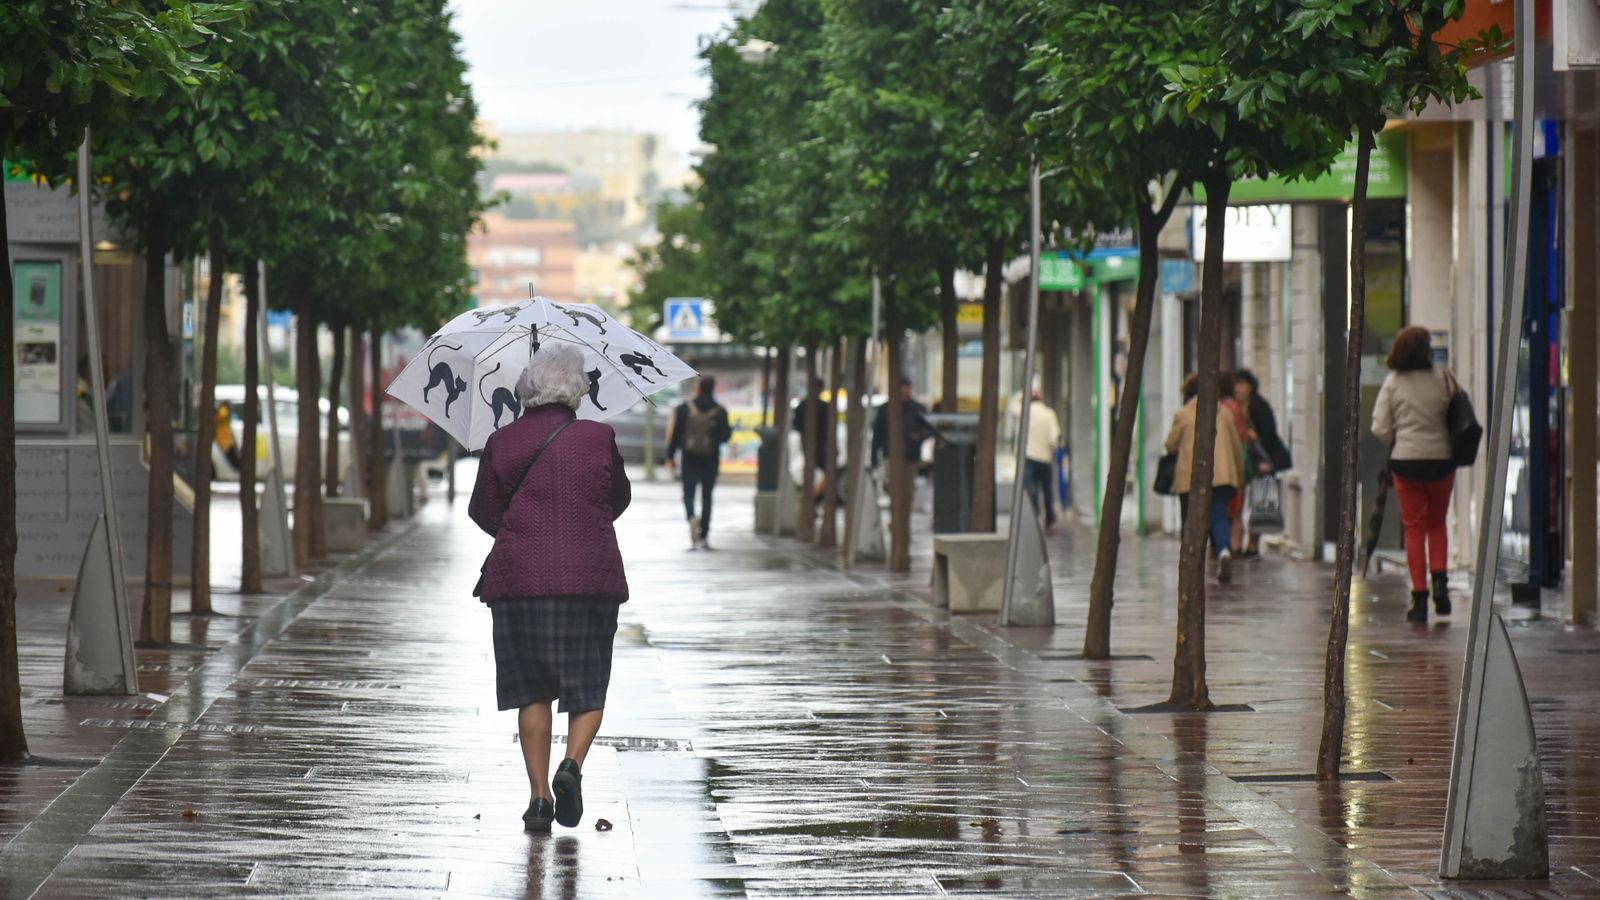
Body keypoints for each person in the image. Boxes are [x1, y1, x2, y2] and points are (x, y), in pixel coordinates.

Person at [468, 345, 632, 833]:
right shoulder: (599, 437)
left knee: (532, 691)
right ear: (577, 389)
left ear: (527, 389)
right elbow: (618, 499)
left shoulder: (502, 442)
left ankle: (539, 799)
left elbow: (483, 510)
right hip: (590, 578)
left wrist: (521, 530)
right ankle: (572, 766)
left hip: (520, 580)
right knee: (588, 686)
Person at [1372, 325, 1456, 623]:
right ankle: (1440, 584)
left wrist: (1400, 439)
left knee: (1414, 528)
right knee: (1437, 523)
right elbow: (1459, 414)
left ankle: (1419, 598)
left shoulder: (1393, 383)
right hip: (1442, 460)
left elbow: (1380, 427)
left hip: (1406, 462)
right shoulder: (1444, 378)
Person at [1164, 373, 1245, 582]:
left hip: (1191, 477)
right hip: (1224, 476)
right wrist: (1239, 474)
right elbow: (1237, 446)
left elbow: (1170, 444)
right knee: (1219, 516)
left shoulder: (1184, 414)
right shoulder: (1224, 413)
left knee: (1190, 519)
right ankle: (1224, 551)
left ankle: (1191, 561)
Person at [667, 376, 732, 550]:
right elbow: (726, 435)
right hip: (710, 459)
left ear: (699, 388)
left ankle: (691, 518)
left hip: (689, 458)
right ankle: (704, 534)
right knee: (707, 496)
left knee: (688, 493)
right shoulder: (720, 411)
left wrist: (670, 456)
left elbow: (676, 434)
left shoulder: (684, 408)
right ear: (712, 389)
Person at [1232, 369, 1290, 559]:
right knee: (1240, 503)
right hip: (1243, 461)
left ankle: (1252, 545)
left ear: (1250, 386)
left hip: (1260, 461)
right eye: (1236, 385)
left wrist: (1264, 459)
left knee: (1259, 503)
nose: (1238, 389)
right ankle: (1239, 543)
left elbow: (1269, 434)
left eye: (1242, 384)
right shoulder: (1235, 407)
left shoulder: (1257, 405)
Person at [1020, 388, 1062, 529]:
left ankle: (1034, 514)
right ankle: (1049, 517)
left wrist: (1025, 393)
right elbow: (1054, 438)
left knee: (1030, 488)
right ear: (1041, 399)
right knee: (1047, 489)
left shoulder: (1024, 412)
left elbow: (1013, 404)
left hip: (1029, 457)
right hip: (1044, 458)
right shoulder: (1049, 414)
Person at [871, 378, 932, 470]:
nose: (905, 395)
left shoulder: (918, 409)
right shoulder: (885, 409)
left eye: (907, 392)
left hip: (912, 456)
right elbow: (877, 433)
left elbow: (930, 428)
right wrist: (874, 457)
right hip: (890, 456)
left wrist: (921, 435)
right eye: (902, 392)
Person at [792, 377, 831, 508]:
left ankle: (810, 498)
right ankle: (811, 498)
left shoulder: (802, 406)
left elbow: (796, 426)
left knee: (811, 473)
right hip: (822, 445)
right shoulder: (825, 407)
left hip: (807, 444)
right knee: (826, 474)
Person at [215, 400, 241, 474]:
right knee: (233, 459)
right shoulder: (223, 410)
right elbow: (223, 414)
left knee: (234, 459)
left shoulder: (221, 412)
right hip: (225, 442)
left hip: (226, 441)